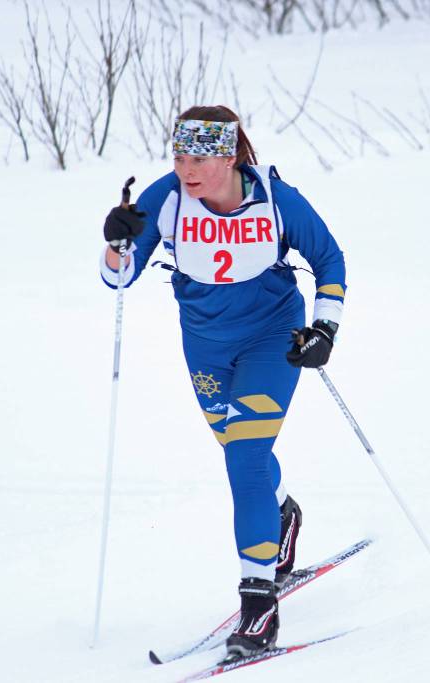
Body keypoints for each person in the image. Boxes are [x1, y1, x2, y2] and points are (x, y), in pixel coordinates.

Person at [100, 105, 346, 658]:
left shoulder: (277, 200)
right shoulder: (166, 199)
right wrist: (117, 241)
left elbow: (329, 259)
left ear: (229, 155)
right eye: (179, 155)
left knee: (246, 459)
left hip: (271, 337)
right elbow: (117, 278)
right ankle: (281, 518)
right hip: (206, 348)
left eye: (200, 157)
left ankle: (259, 609)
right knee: (237, 449)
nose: (186, 168)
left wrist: (325, 328)